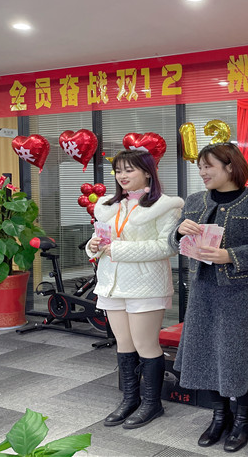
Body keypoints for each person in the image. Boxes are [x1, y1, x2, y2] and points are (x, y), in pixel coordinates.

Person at [171, 142, 248, 453]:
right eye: (200, 167)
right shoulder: (194, 201)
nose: (202, 172)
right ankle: (219, 416)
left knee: (244, 359)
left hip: (246, 294)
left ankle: (243, 420)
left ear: (230, 166)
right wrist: (178, 232)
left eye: (209, 166)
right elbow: (172, 241)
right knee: (205, 355)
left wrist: (229, 255)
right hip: (204, 292)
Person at [86, 149, 184, 429]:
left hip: (146, 284)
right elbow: (99, 239)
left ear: (147, 172)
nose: (122, 176)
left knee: (145, 344)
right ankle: (130, 399)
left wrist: (117, 249)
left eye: (129, 170)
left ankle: (152, 404)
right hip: (112, 283)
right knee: (124, 344)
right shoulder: (108, 204)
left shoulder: (165, 206)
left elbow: (166, 247)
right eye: (119, 170)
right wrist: (92, 246)